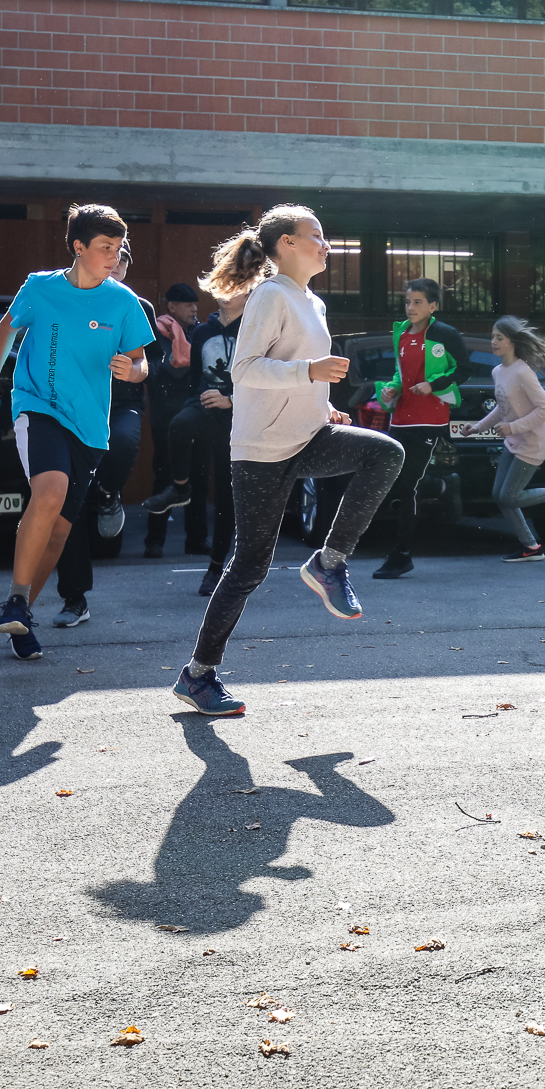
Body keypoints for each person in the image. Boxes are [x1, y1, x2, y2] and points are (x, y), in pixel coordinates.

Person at [170, 205, 405, 717]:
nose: (326, 244)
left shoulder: (312, 302)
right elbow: (246, 369)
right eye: (316, 235)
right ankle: (198, 675)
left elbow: (300, 372)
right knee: (249, 567)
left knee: (385, 452)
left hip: (309, 436)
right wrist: (310, 372)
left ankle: (329, 562)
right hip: (261, 451)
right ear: (287, 244)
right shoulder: (270, 295)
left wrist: (324, 404)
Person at [0, 205, 154, 659]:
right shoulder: (40, 288)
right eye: (106, 248)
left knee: (59, 533)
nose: (114, 257)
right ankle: (17, 597)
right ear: (78, 246)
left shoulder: (124, 301)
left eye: (118, 248)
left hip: (90, 426)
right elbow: (4, 332)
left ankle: (20, 615)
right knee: (50, 491)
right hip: (38, 406)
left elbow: (141, 363)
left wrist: (132, 371)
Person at [51, 245, 163, 628]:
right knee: (70, 501)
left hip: (122, 404)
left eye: (122, 259)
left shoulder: (137, 306)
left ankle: (108, 492)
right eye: (109, 256)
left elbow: (153, 360)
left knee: (124, 442)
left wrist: (136, 370)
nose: (115, 264)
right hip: (75, 409)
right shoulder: (68, 300)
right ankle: (74, 599)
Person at [453, 316, 545, 562]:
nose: (493, 342)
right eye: (492, 337)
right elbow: (502, 408)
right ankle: (531, 547)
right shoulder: (498, 372)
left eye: (499, 338)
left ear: (511, 342)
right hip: (514, 442)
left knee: (508, 496)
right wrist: (477, 427)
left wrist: (512, 427)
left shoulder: (523, 372)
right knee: (500, 495)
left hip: (533, 443)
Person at [371, 278, 470, 579]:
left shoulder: (444, 334)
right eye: (407, 302)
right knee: (396, 480)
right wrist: (392, 388)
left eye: (417, 302)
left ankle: (401, 555)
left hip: (430, 418)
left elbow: (463, 369)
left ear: (433, 306)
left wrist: (433, 385)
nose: (410, 307)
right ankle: (442, 486)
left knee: (407, 484)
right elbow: (401, 374)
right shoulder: (401, 333)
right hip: (401, 416)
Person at [181, 285, 248, 597]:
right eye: (224, 284)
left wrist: (230, 399)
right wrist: (194, 408)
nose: (227, 292)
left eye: (236, 287)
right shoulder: (201, 332)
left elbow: (263, 380)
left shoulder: (254, 330)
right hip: (206, 416)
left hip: (240, 423)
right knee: (196, 483)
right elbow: (196, 379)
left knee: (226, 495)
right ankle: (195, 539)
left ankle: (217, 567)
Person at [141, 282, 201, 559]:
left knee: (197, 477)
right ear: (172, 307)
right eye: (188, 304)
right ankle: (154, 542)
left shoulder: (197, 333)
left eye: (195, 304)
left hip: (193, 415)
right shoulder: (159, 332)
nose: (194, 309)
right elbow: (167, 368)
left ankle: (196, 540)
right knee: (165, 478)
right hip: (166, 417)